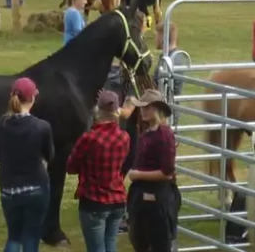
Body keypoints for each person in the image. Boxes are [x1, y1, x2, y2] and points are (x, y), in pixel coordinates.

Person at [0, 77, 54, 252]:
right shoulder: (42, 127)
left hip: (9, 187)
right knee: (31, 237)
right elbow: (50, 156)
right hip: (36, 188)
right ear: (32, 98)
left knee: (14, 236)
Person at [67, 91, 132, 252]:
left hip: (94, 200)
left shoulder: (89, 138)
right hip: (117, 199)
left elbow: (71, 167)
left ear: (98, 110)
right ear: (117, 110)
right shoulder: (124, 137)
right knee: (110, 243)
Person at [127, 89, 180, 252]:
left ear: (157, 109)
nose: (142, 111)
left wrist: (136, 175)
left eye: (146, 107)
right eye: (141, 107)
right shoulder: (147, 133)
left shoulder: (164, 135)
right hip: (142, 199)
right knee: (140, 241)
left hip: (158, 200)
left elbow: (166, 172)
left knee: (159, 244)